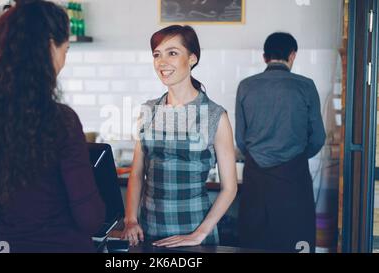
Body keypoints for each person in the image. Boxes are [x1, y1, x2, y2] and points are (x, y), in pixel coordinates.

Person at [0, 0, 105, 253]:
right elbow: (90, 218)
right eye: (65, 50)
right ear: (49, 48)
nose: (63, 61)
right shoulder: (61, 121)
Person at [121, 25, 238, 247]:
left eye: (172, 53)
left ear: (192, 58)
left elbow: (230, 187)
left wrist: (200, 234)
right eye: (157, 54)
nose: (162, 62)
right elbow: (136, 174)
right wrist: (130, 220)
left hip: (194, 234)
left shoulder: (215, 115)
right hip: (148, 232)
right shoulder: (148, 111)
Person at [235, 32, 326, 253]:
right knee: (295, 241)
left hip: (256, 176)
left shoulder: (246, 86)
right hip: (293, 176)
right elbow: (318, 138)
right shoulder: (305, 86)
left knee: (254, 240)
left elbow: (240, 138)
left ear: (265, 57)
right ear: (292, 55)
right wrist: (296, 158)